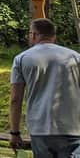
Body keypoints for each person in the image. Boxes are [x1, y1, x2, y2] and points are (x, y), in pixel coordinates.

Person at [10, 18, 80, 157]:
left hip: (40, 129)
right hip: (72, 128)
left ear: (34, 34)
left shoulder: (21, 59)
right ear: (53, 36)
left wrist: (15, 132)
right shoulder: (75, 57)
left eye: (29, 33)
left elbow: (15, 99)